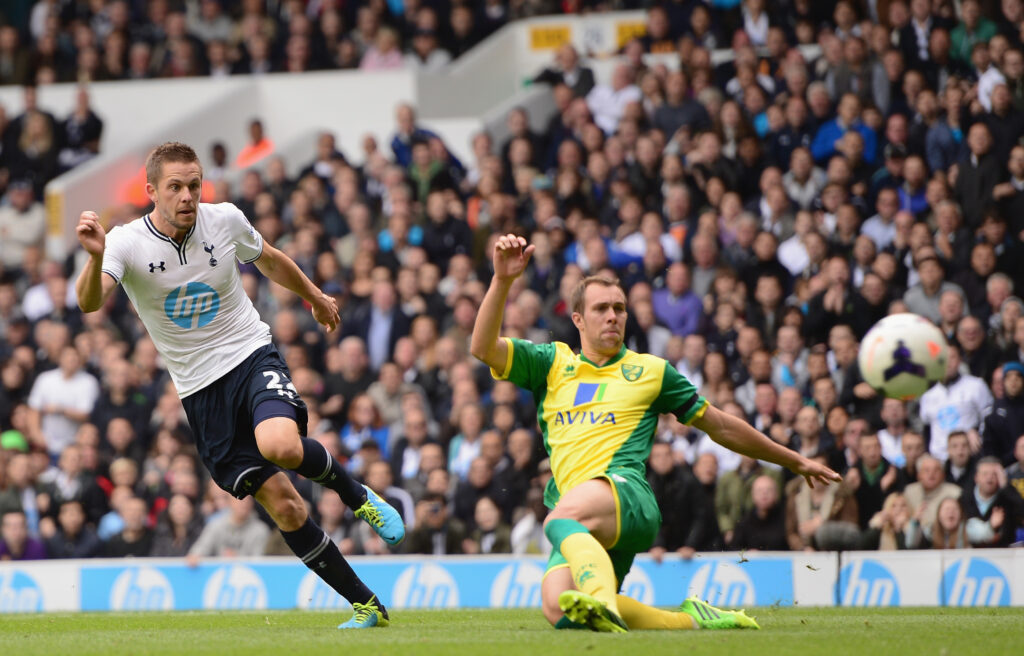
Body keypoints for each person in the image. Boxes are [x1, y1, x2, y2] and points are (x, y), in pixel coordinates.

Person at [74, 142, 403, 629]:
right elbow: (89, 303)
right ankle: (366, 604)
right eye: (175, 187)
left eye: (194, 184)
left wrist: (314, 296)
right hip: (201, 392)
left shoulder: (223, 218)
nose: (188, 195)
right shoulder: (124, 243)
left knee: (281, 445)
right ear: (151, 192)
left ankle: (358, 497)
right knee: (286, 507)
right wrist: (94, 257)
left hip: (249, 354)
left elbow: (268, 258)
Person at [470, 234, 840, 633]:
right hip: (583, 524)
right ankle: (690, 620)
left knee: (558, 520)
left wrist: (794, 459)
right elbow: (482, 348)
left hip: (626, 495)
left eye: (620, 309)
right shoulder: (552, 363)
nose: (613, 316)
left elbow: (719, 425)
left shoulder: (651, 371)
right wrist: (502, 281)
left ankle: (603, 600)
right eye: (601, 309)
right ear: (577, 319)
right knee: (560, 611)